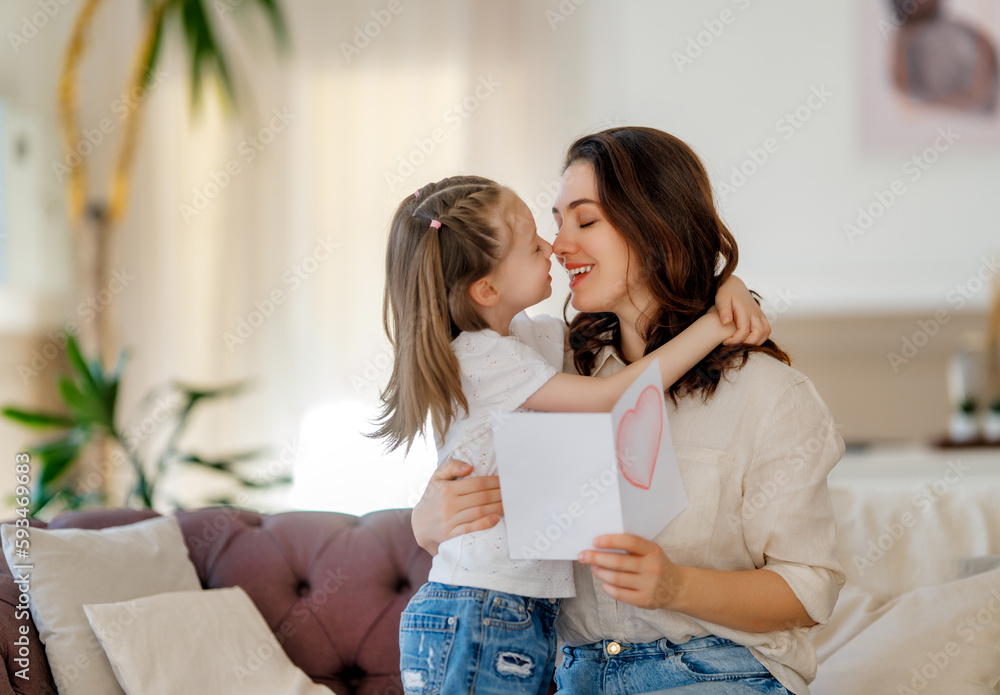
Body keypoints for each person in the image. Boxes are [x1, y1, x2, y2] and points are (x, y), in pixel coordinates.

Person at [411, 128, 845, 695]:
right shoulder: (550, 364)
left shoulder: (769, 395)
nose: (558, 245)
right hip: (573, 676)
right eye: (556, 221)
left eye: (584, 221)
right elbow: (476, 489)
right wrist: (426, 522)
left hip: (717, 672)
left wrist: (675, 587)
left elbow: (808, 589)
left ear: (656, 227)